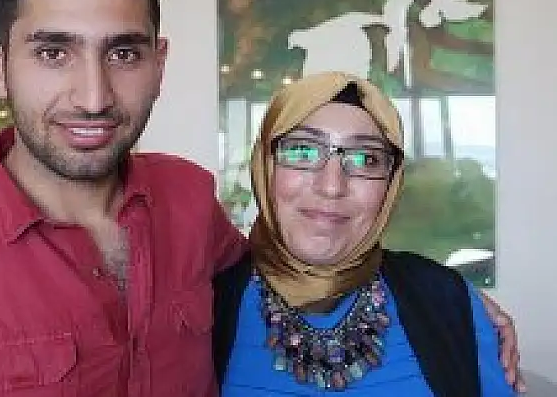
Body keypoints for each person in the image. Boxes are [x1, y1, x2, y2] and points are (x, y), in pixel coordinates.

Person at [0, 0, 521, 397]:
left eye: (122, 53)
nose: (93, 95)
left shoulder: (187, 201)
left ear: (158, 64)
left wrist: (450, 303)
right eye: (53, 51)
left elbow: (301, 254)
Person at [213, 71, 518, 396]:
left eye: (365, 159)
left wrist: (454, 296)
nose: (332, 186)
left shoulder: (448, 302)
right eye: (303, 151)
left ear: (391, 184)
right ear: (265, 165)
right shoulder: (206, 307)